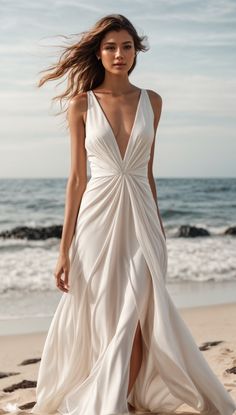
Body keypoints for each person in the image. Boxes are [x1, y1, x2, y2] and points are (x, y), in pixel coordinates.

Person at [30, 14, 236, 415]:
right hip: (97, 218)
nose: (118, 54)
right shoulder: (81, 104)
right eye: (110, 47)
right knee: (104, 308)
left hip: (142, 215)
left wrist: (158, 229)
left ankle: (122, 396)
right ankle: (113, 398)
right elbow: (76, 179)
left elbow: (147, 172)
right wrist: (63, 250)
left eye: (126, 46)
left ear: (136, 51)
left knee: (138, 312)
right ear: (99, 52)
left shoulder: (152, 101)